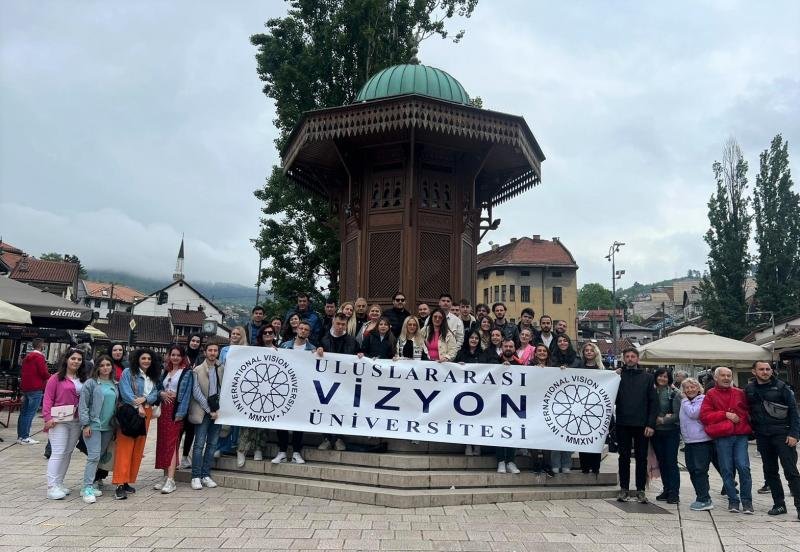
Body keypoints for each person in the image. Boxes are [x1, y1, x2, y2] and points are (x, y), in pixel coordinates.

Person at [745, 360, 800, 519]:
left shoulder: (782, 387)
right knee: (770, 471)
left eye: (767, 369)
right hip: (763, 436)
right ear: (754, 371)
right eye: (761, 369)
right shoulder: (749, 389)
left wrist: (794, 434)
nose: (765, 372)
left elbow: (794, 412)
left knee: (791, 471)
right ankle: (779, 504)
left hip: (783, 435)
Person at [700, 366, 754, 514]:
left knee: (743, 467)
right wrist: (725, 414)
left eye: (728, 375)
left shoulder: (740, 393)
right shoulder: (710, 394)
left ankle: (747, 501)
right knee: (726, 469)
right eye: (723, 375)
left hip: (740, 434)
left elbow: (749, 411)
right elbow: (704, 416)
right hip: (723, 436)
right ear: (716, 378)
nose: (726, 378)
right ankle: (733, 500)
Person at [113, 348, 160, 500]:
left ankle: (128, 480)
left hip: (146, 412)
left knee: (138, 449)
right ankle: (119, 483)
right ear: (138, 359)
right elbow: (125, 391)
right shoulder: (129, 372)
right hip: (130, 412)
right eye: (143, 358)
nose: (146, 361)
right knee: (125, 447)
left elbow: (155, 393)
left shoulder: (152, 375)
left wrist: (145, 400)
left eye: (149, 359)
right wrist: (137, 404)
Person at [42, 348, 87, 499]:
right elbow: (48, 398)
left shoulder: (83, 379)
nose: (76, 361)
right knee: (58, 452)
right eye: (73, 358)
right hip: (59, 420)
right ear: (66, 360)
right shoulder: (55, 378)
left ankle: (59, 483)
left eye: (79, 359)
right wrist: (48, 417)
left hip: (76, 420)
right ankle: (51, 486)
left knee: (68, 452)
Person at [615, 347, 657, 504]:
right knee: (623, 457)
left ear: (637, 359)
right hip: (623, 423)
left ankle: (640, 490)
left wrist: (650, 424)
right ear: (624, 359)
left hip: (642, 424)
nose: (630, 359)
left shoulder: (648, 377)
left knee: (641, 458)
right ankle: (624, 488)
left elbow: (653, 402)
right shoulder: (617, 376)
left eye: (633, 356)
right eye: (627, 356)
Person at [315, 313, 358, 452]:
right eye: (338, 323)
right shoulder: (323, 339)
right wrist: (318, 350)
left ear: (346, 325)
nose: (340, 326)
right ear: (333, 322)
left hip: (345, 383)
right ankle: (326, 439)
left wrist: (360, 355)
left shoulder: (352, 341)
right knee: (326, 409)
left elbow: (359, 355)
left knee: (342, 409)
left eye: (343, 324)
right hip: (327, 381)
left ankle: (339, 439)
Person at [78, 354, 118, 504]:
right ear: (97, 367)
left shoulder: (114, 384)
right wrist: (85, 424)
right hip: (93, 425)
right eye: (102, 365)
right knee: (93, 456)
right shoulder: (91, 383)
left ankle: (91, 483)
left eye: (108, 365)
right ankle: (87, 487)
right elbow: (83, 405)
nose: (105, 368)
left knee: (99, 456)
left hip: (108, 427)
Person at [155, 345, 194, 494]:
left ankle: (171, 480)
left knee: (172, 444)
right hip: (163, 411)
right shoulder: (165, 371)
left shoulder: (187, 373)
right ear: (169, 356)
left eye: (178, 355)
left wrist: (180, 412)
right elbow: (157, 388)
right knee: (163, 443)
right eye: (173, 355)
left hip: (176, 411)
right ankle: (165, 476)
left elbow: (187, 394)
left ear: (182, 357)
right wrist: (162, 393)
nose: (175, 357)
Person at [274, 322, 315, 464]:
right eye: (301, 328)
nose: (303, 331)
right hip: (284, 388)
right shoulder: (284, 346)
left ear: (309, 333)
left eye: (306, 330)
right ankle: (282, 451)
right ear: (297, 330)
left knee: (299, 421)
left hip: (302, 389)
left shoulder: (313, 349)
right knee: (281, 420)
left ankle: (296, 452)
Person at [236, 326, 277, 466]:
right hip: (253, 390)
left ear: (274, 335)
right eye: (265, 332)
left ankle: (259, 449)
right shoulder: (253, 349)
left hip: (270, 391)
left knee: (264, 422)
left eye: (270, 332)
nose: (268, 334)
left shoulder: (280, 351)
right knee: (247, 422)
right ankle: (241, 450)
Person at [188, 342, 223, 490]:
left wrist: (218, 410)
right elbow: (196, 392)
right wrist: (210, 410)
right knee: (199, 445)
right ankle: (195, 476)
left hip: (218, 412)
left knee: (212, 444)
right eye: (210, 350)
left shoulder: (221, 368)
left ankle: (205, 474)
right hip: (204, 412)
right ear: (205, 352)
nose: (213, 353)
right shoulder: (197, 369)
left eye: (215, 350)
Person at [680, 377, 715, 511]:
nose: (690, 390)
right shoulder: (686, 402)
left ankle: (704, 498)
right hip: (689, 441)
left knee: (700, 470)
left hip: (702, 440)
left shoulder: (702, 399)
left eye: (692, 387)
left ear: (698, 388)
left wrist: (684, 400)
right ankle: (702, 496)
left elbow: (694, 414)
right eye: (687, 388)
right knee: (692, 470)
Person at [652, 368, 682, 504]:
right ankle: (666, 489)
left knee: (671, 462)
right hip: (656, 432)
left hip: (671, 432)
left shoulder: (674, 393)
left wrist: (663, 420)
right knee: (662, 462)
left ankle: (674, 493)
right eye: (660, 376)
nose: (662, 379)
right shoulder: (651, 391)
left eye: (665, 377)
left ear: (669, 379)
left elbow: (678, 414)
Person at [455, 330, 484, 456]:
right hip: (464, 391)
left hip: (479, 392)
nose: (474, 340)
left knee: (477, 419)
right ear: (468, 339)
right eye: (472, 338)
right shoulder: (461, 353)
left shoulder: (483, 354)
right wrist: (458, 365)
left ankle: (477, 444)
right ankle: (467, 444)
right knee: (466, 418)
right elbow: (453, 370)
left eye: (476, 338)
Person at [577, 343, 604, 474]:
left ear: (596, 353)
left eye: (591, 350)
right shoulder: (578, 368)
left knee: (595, 438)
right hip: (580, 407)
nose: (588, 352)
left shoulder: (602, 369)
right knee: (582, 438)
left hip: (596, 409)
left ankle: (595, 466)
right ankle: (585, 466)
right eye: (586, 350)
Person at [179, 333, 205, 469]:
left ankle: (185, 458)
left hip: (194, 399)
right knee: (178, 430)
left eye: (197, 341)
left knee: (190, 430)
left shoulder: (201, 358)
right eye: (193, 341)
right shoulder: (182, 356)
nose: (195, 343)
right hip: (181, 397)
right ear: (189, 341)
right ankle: (173, 459)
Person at [495, 339, 522, 474]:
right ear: (502, 347)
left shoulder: (520, 364)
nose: (508, 348)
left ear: (514, 348)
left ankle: (510, 461)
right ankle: (501, 461)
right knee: (499, 432)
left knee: (512, 432)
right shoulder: (494, 361)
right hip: (496, 403)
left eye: (511, 346)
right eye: (505, 346)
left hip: (514, 404)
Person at [529, 344, 556, 477]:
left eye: (544, 351)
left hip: (549, 407)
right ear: (535, 354)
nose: (541, 352)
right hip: (533, 406)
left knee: (547, 437)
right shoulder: (529, 367)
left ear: (548, 353)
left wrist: (563, 371)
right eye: (539, 351)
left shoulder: (554, 368)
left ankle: (547, 465)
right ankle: (536, 464)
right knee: (533, 436)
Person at [17, 338, 49, 445]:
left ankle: (20, 436)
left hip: (26, 388)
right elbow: (43, 373)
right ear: (42, 345)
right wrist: (51, 377)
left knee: (23, 413)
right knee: (30, 413)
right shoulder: (40, 357)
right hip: (36, 388)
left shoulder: (27, 357)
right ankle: (25, 437)